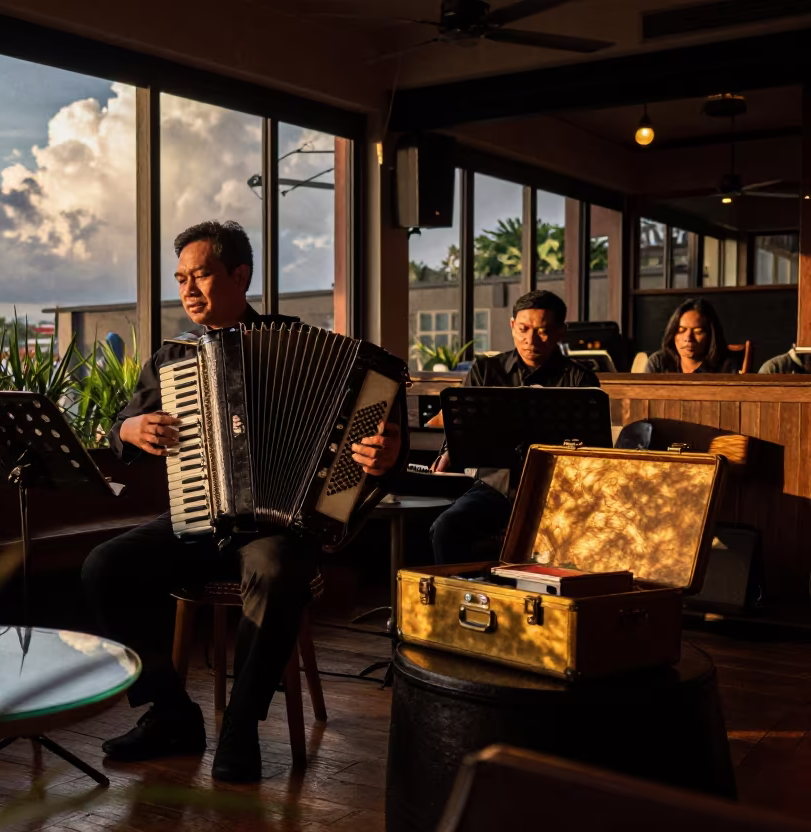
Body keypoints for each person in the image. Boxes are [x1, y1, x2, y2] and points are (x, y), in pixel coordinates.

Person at [81, 220, 404, 782]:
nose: (188, 289)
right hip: (198, 517)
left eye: (201, 275)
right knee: (104, 567)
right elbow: (120, 432)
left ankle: (241, 725)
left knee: (276, 570)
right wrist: (129, 429)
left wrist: (383, 457)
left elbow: (378, 450)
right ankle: (170, 713)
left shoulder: (303, 347)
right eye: (180, 278)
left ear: (240, 275)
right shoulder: (173, 358)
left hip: (283, 529)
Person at [427, 290, 598, 565]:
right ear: (512, 326)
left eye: (542, 331)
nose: (530, 340)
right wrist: (449, 451)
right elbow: (462, 424)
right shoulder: (486, 370)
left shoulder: (579, 378)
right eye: (523, 329)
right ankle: (457, 590)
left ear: (560, 331)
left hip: (558, 490)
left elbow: (590, 445)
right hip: (496, 487)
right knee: (445, 528)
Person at [645, 298, 739, 374]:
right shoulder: (659, 363)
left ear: (711, 335)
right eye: (681, 330)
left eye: (698, 332)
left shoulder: (726, 366)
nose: (688, 338)